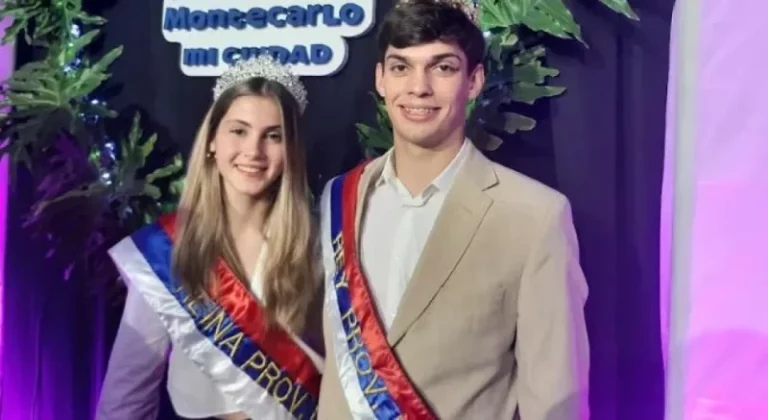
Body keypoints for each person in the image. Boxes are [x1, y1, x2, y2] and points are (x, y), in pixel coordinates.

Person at [317, 0, 590, 419]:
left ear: (475, 80)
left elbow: (554, 396)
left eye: (442, 68)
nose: (418, 88)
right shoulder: (341, 199)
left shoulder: (534, 217)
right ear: (380, 79)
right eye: (401, 67)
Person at [96, 55, 324, 420]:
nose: (254, 151)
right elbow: (126, 395)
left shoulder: (321, 243)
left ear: (291, 151)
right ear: (212, 141)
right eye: (239, 130)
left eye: (274, 136)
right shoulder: (167, 250)